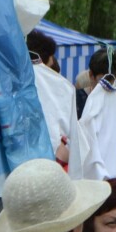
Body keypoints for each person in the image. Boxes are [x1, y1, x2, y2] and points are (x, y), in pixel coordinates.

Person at [28, 28, 78, 170]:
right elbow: (72, 137)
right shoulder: (63, 87)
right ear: (47, 58)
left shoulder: (6, 77)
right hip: (51, 163)